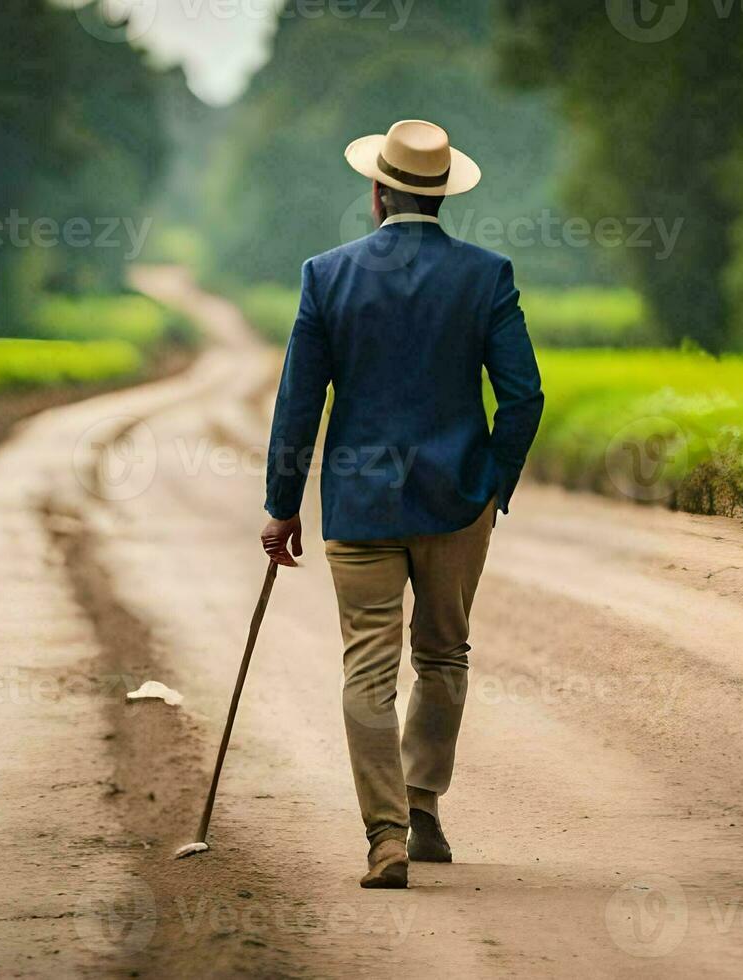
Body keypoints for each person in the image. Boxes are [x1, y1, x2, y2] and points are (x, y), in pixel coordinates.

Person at [260, 119, 543, 888]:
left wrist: (281, 505)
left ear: (378, 192)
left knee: (368, 667)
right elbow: (523, 397)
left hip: (359, 506)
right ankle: (421, 805)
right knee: (444, 655)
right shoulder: (487, 276)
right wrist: (494, 482)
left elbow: (298, 403)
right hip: (459, 501)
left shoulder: (327, 275)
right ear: (441, 195)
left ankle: (384, 834)